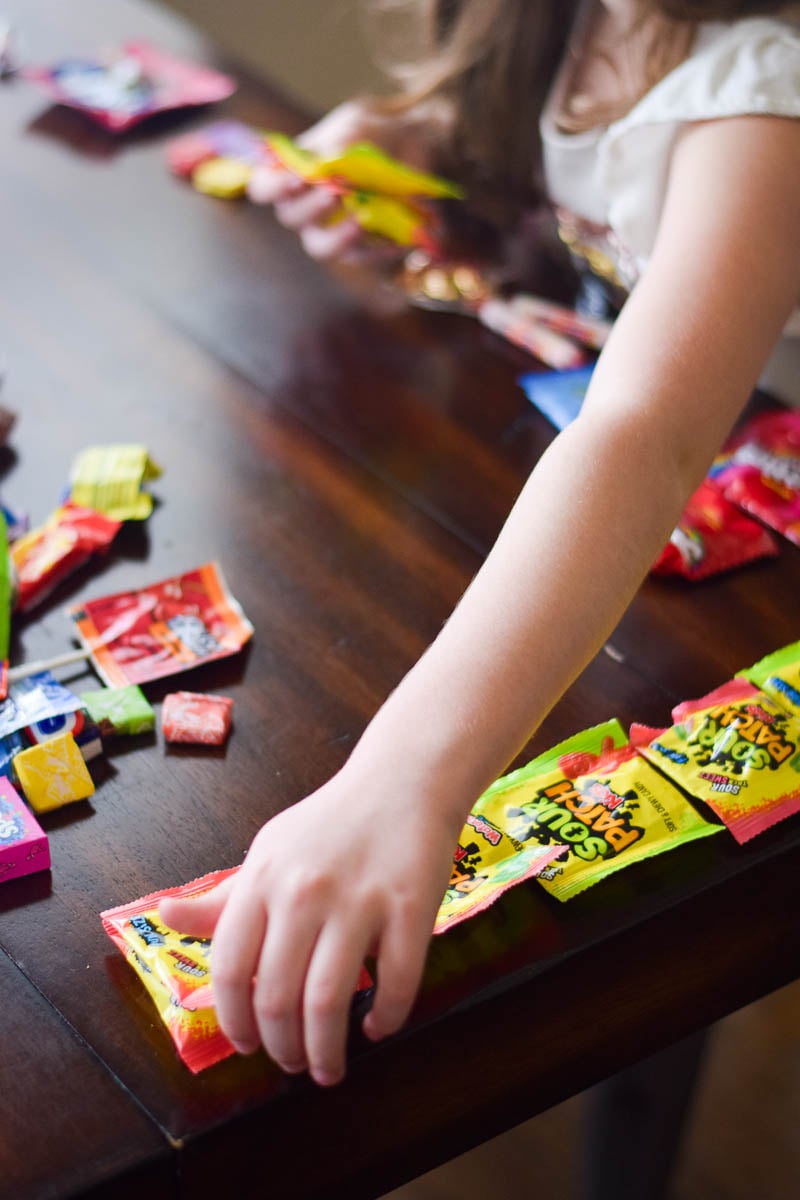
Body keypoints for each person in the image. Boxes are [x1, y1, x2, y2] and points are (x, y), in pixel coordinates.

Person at [160, 0, 800, 1089]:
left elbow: (642, 432)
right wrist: (412, 151)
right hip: (648, 518)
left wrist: (401, 778)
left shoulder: (764, 99)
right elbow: (567, 177)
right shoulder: (569, 20)